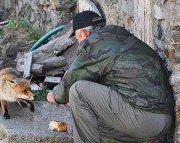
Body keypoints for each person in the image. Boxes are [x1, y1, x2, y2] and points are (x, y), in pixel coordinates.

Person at [47, 11, 174, 143]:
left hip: (143, 119)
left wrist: (55, 96)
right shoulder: (119, 35)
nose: (79, 43)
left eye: (78, 39)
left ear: (84, 34)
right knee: (96, 120)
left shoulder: (93, 42)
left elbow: (71, 82)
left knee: (78, 91)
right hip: (163, 120)